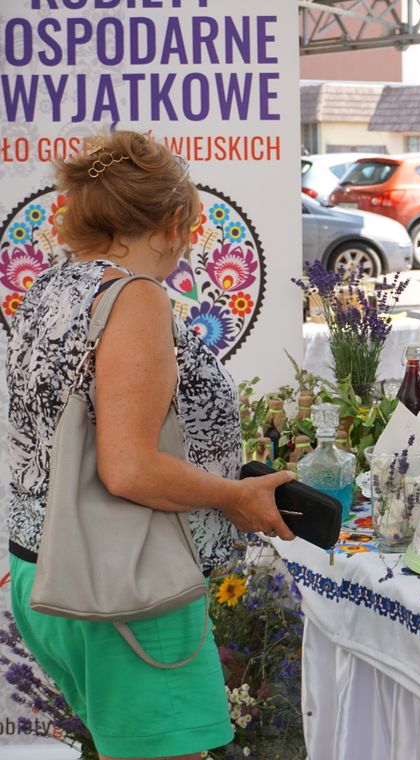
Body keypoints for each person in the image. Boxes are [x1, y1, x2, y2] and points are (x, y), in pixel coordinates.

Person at [6, 131, 295, 760]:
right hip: (124, 585)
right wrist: (235, 496)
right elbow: (129, 468)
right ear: (170, 221)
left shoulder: (50, 292)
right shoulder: (133, 298)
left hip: (49, 568)